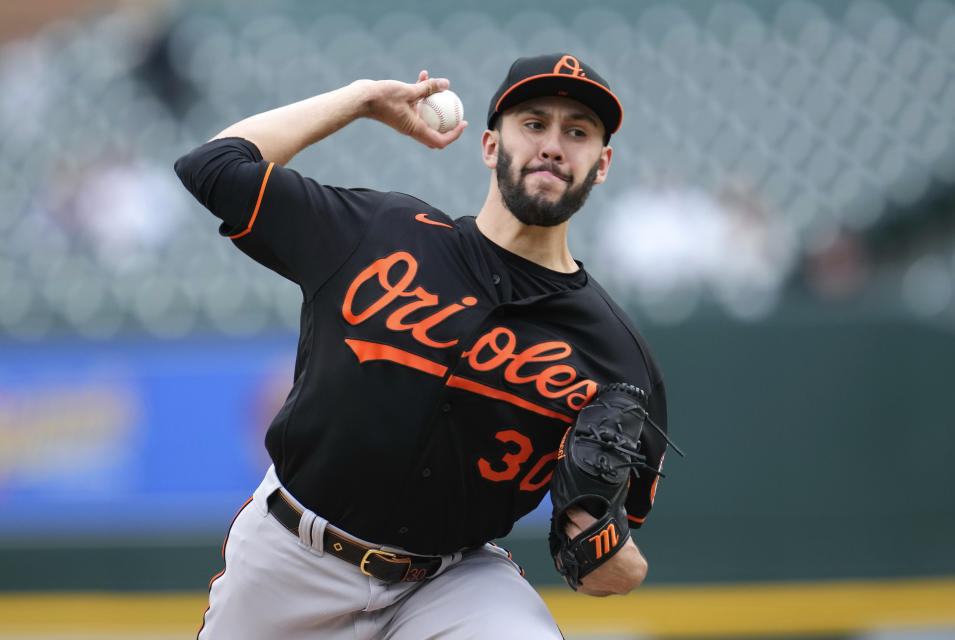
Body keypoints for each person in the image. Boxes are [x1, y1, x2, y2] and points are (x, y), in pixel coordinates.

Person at [175, 52, 671, 640]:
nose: (554, 145)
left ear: (602, 163)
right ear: (491, 146)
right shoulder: (378, 232)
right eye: (534, 124)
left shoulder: (616, 357)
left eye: (578, 132)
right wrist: (360, 99)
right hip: (291, 561)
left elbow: (602, 566)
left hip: (451, 582)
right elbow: (212, 165)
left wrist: (609, 555)